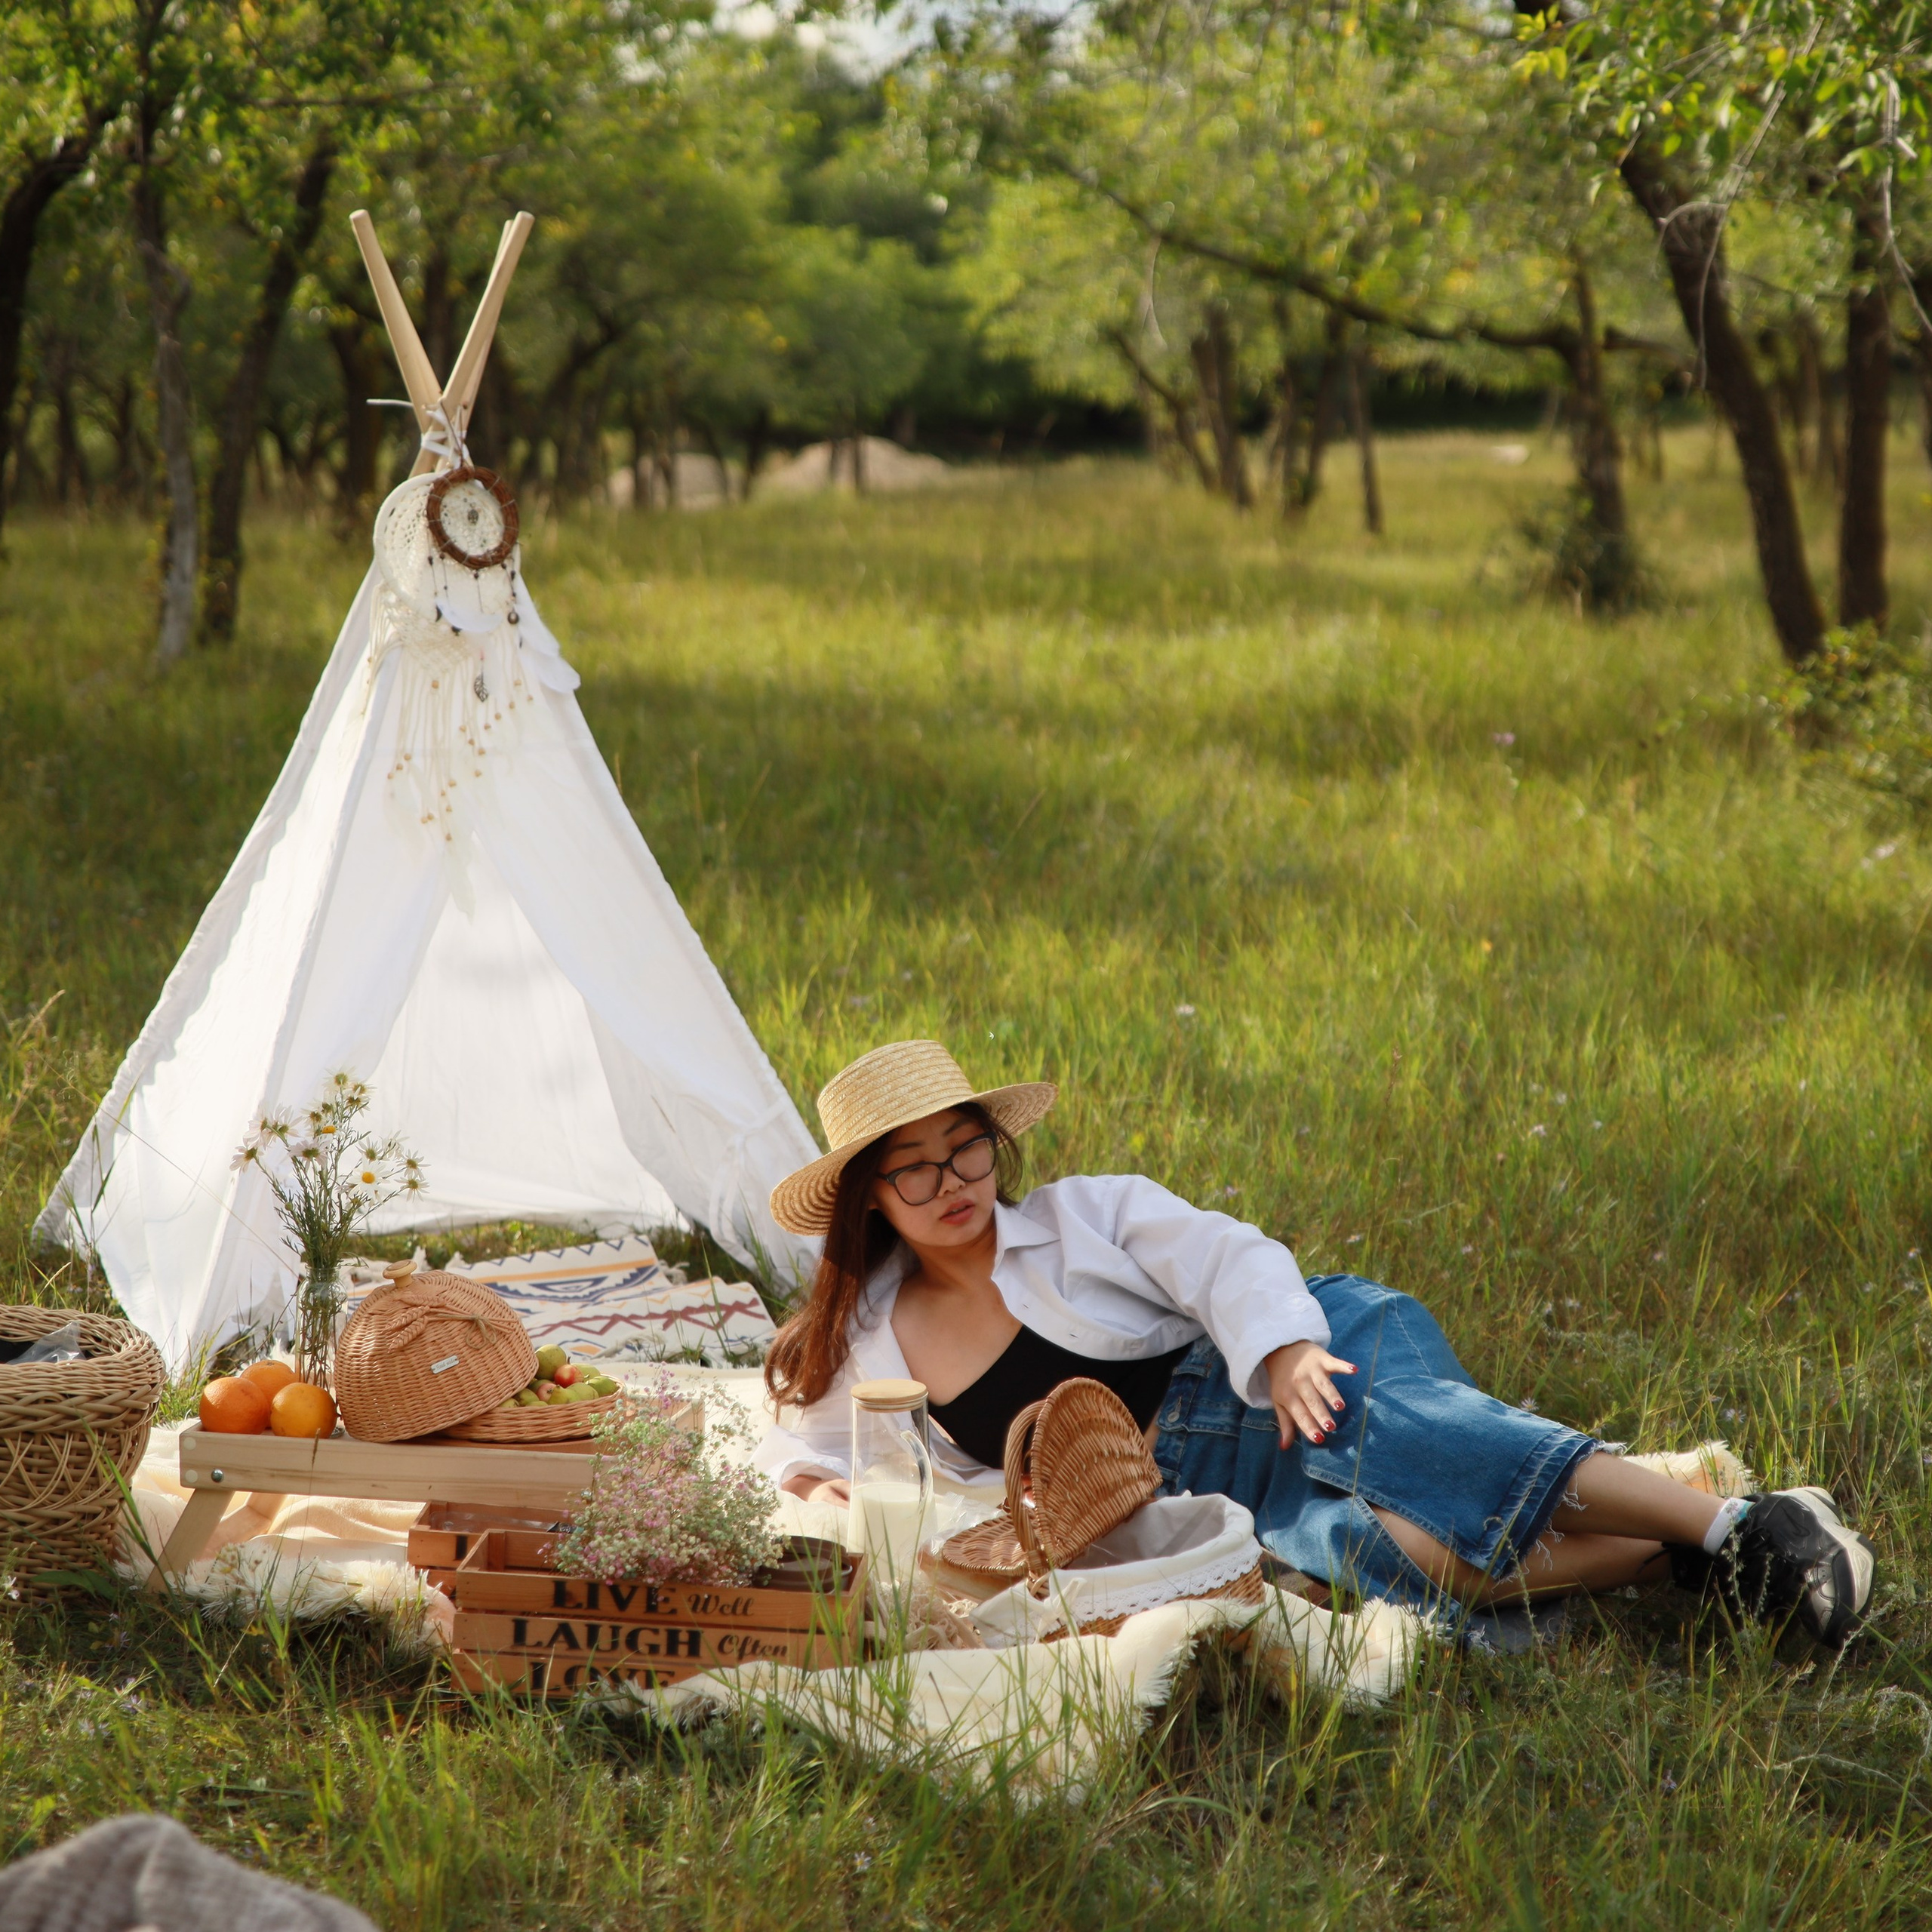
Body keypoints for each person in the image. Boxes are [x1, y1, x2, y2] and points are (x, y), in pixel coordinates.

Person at [755, 1039, 1877, 1645]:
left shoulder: (1084, 1217)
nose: (954, 1183)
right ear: (870, 1197)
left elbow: (1226, 1257)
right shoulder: (860, 1334)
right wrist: (819, 1496)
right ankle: (1676, 1546)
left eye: (969, 1151)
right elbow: (812, 1450)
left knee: (1407, 1440)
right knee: (1391, 1561)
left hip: (1275, 1371)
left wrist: (1286, 1347)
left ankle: (1748, 1525)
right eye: (916, 1167)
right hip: (1196, 1483)